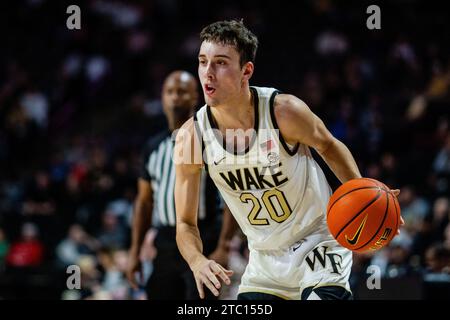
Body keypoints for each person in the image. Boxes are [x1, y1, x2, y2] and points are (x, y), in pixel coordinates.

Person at [174, 20, 404, 300]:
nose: (208, 73)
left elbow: (329, 146)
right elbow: (185, 223)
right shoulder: (191, 136)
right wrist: (197, 261)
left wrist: (366, 198)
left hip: (318, 244)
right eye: (202, 61)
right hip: (264, 262)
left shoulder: (283, 112)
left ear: (246, 70)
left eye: (220, 63)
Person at [126, 70, 237, 300]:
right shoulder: (152, 147)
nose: (175, 97)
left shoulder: (211, 138)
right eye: (169, 92)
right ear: (162, 98)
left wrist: (224, 244)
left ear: (195, 97)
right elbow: (144, 203)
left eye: (182, 92)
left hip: (205, 236)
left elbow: (232, 193)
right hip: (166, 240)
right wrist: (134, 252)